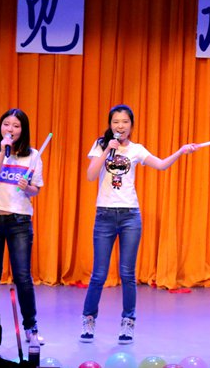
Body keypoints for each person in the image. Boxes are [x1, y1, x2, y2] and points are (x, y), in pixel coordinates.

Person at [80, 104, 196, 344]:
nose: (120, 126)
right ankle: (89, 319)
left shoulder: (136, 149)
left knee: (127, 273)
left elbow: (161, 165)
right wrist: (107, 149)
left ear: (131, 125)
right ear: (110, 124)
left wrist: (180, 151)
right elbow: (91, 175)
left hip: (130, 216)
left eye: (124, 122)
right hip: (104, 215)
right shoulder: (101, 145)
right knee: (99, 274)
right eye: (116, 122)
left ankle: (128, 321)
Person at [0, 108, 44, 344]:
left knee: (23, 277)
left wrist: (28, 187)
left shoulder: (33, 155)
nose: (10, 129)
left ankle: (31, 327)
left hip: (19, 222)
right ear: (0, 127)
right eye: (6, 124)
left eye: (16, 126)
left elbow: (36, 189)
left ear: (23, 130)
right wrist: (3, 152)